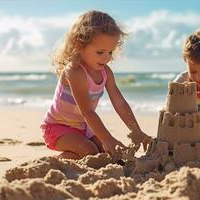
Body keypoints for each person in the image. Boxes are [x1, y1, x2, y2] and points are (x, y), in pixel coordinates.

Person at [41, 10, 151, 159]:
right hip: (58, 127)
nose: (106, 58)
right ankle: (55, 162)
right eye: (100, 52)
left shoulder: (106, 72)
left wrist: (136, 131)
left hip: (85, 128)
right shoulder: (75, 71)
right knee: (90, 151)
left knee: (111, 153)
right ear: (79, 45)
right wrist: (107, 138)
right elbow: (87, 111)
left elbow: (119, 103)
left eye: (110, 52)